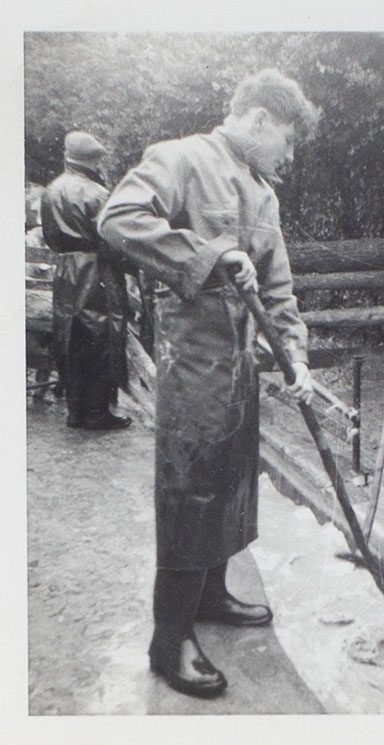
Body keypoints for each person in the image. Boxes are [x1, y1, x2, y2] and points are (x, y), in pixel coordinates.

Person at [98, 69, 319, 698]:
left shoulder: (265, 196)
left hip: (243, 367)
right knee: (191, 489)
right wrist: (207, 253)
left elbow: (278, 292)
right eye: (287, 139)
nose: (289, 154)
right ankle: (169, 639)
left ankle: (213, 593)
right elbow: (118, 219)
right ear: (257, 120)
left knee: (231, 482)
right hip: (192, 363)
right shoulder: (181, 158)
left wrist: (296, 358)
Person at [40, 131, 132, 430]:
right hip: (95, 269)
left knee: (70, 337)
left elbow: (49, 236)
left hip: (65, 269)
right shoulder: (98, 194)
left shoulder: (51, 190)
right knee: (100, 337)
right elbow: (112, 239)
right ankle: (97, 413)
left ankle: (75, 411)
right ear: (92, 160)